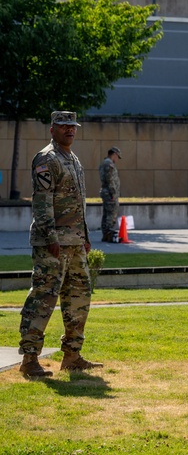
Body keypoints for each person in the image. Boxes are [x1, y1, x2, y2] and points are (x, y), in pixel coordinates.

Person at [18, 111, 103, 378]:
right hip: (52, 244)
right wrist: (52, 238)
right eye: (64, 126)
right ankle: (30, 359)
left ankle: (72, 356)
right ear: (53, 128)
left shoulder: (73, 159)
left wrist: (85, 237)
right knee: (43, 299)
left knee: (79, 297)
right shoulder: (47, 158)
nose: (70, 130)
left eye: (73, 127)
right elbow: (42, 203)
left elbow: (78, 204)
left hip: (75, 243)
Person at [99, 146, 122, 243]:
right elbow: (110, 180)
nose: (117, 159)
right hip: (109, 193)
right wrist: (113, 193)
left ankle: (105, 234)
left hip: (106, 192)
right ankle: (109, 234)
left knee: (106, 213)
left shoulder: (104, 163)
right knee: (111, 214)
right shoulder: (109, 164)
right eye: (117, 157)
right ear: (114, 154)